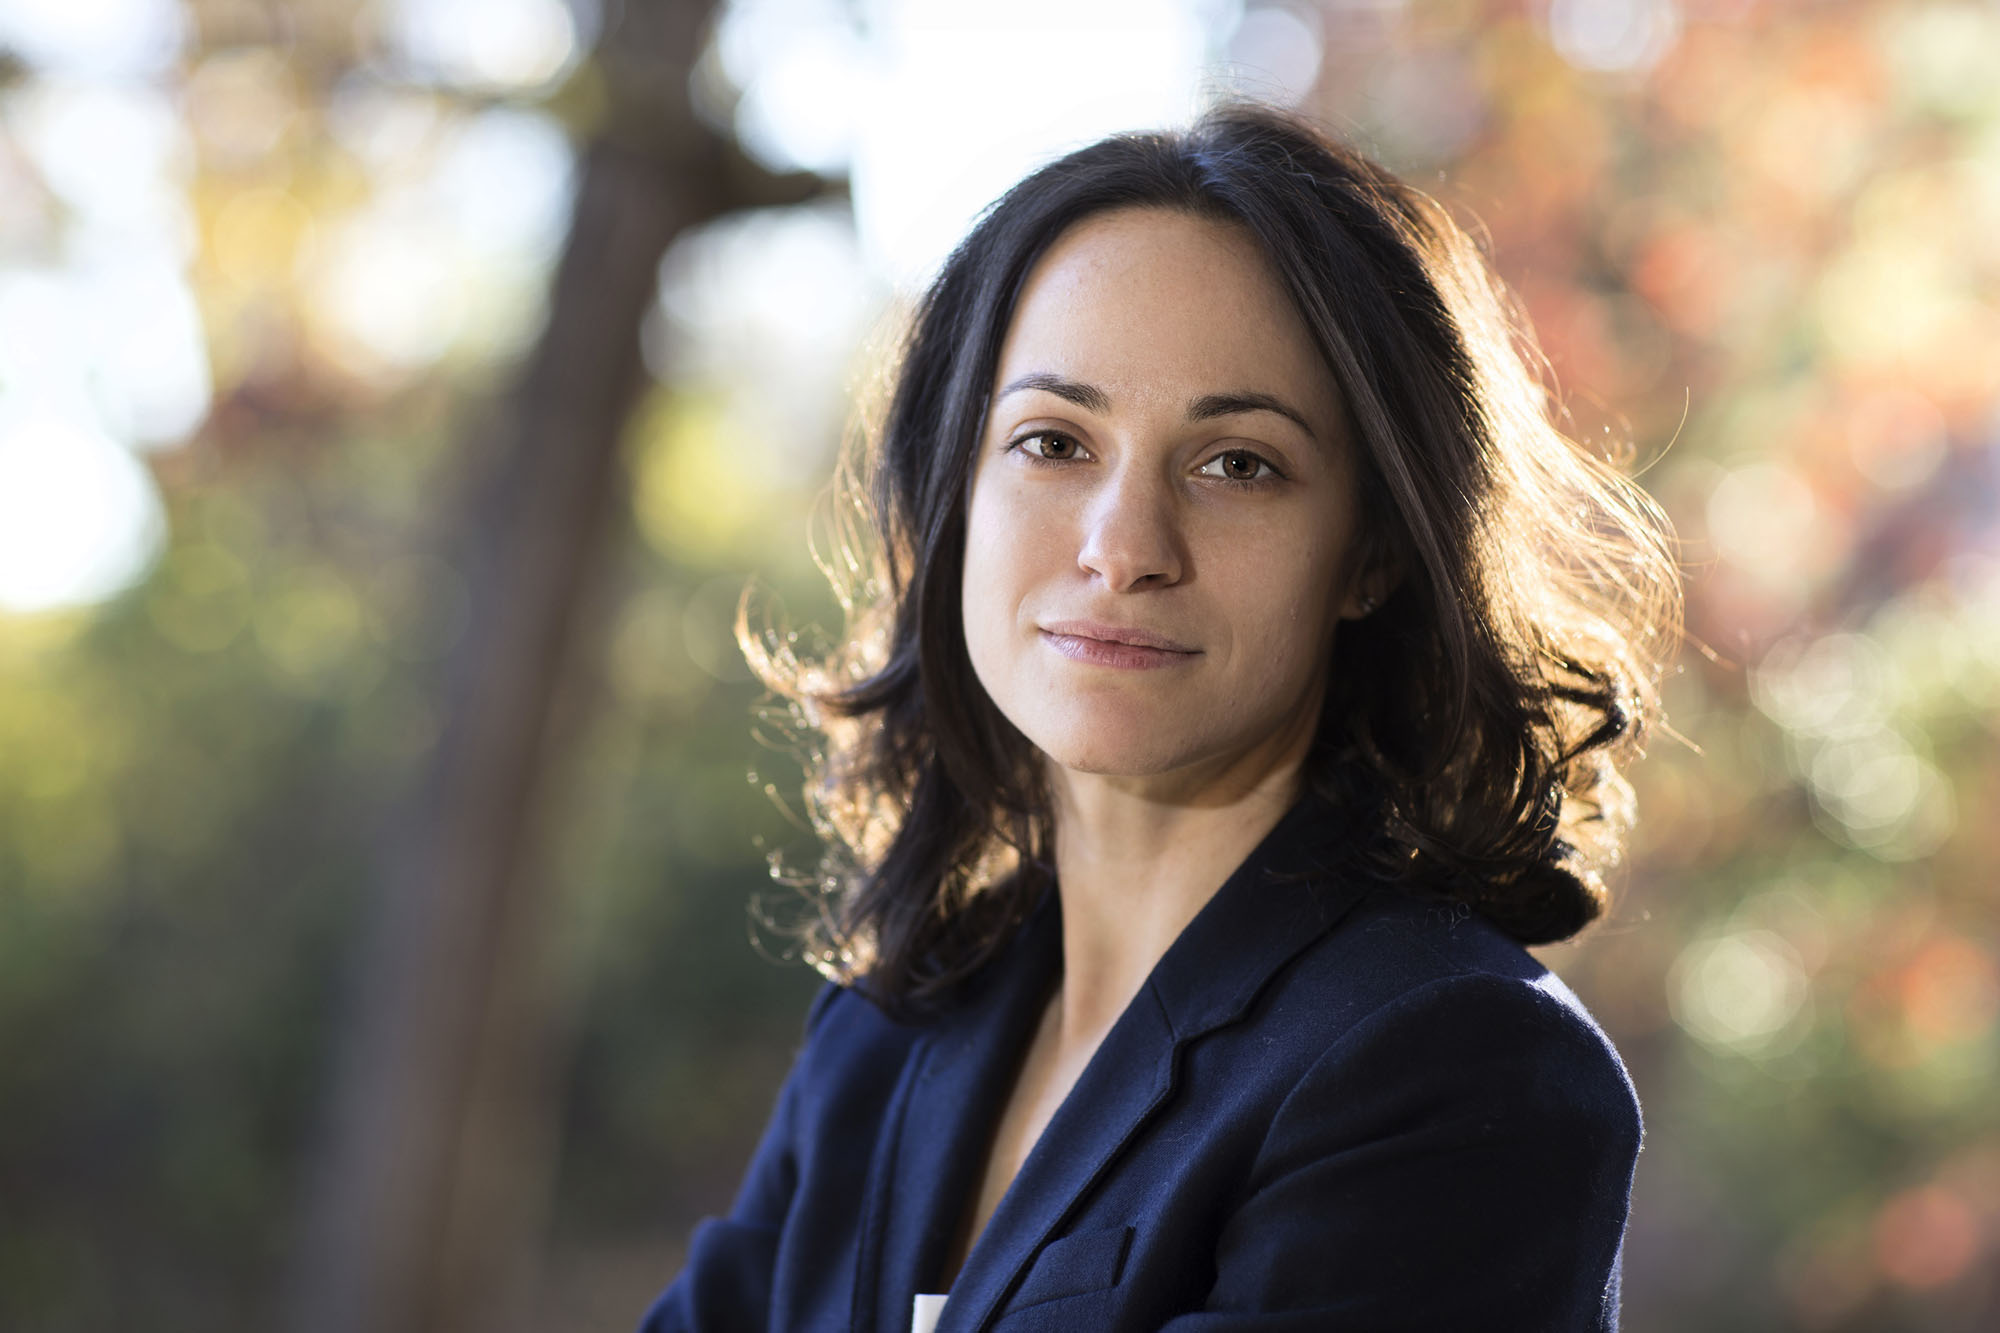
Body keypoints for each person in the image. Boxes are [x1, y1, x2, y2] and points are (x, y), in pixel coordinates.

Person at [641, 101, 1680, 1332]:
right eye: (1051, 441)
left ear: (1374, 554)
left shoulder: (1457, 1069)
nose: (1121, 547)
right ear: (953, 495)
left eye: (1237, 462)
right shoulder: (883, 1037)